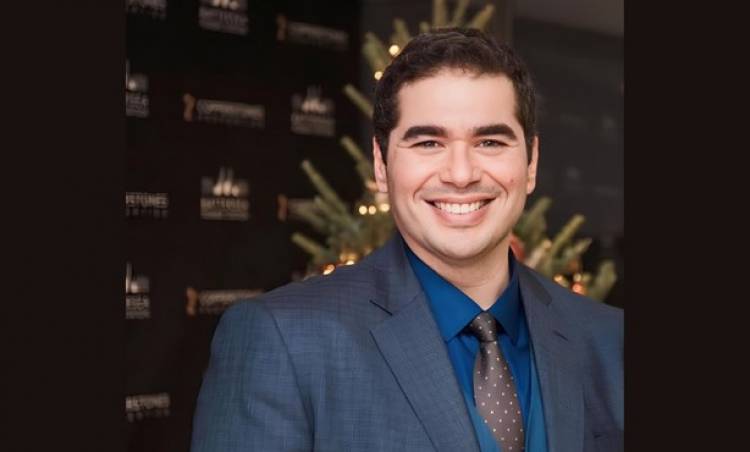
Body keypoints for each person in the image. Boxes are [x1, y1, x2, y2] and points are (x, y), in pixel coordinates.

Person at [191, 27, 623, 452]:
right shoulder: (284, 340)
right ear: (381, 167)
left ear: (531, 163)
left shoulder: (608, 339)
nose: (461, 174)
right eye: (429, 143)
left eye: (490, 141)